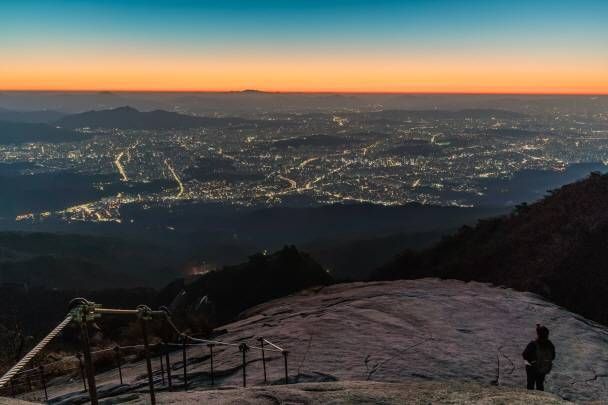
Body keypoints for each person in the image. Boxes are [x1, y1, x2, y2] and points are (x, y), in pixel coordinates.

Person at [522, 324, 556, 391]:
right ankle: (540, 398)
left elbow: (524, 355)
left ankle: (530, 398)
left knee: (530, 385)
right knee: (540, 384)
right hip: (543, 368)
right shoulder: (549, 344)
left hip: (531, 368)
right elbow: (553, 356)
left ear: (538, 334)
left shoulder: (533, 344)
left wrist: (532, 361)